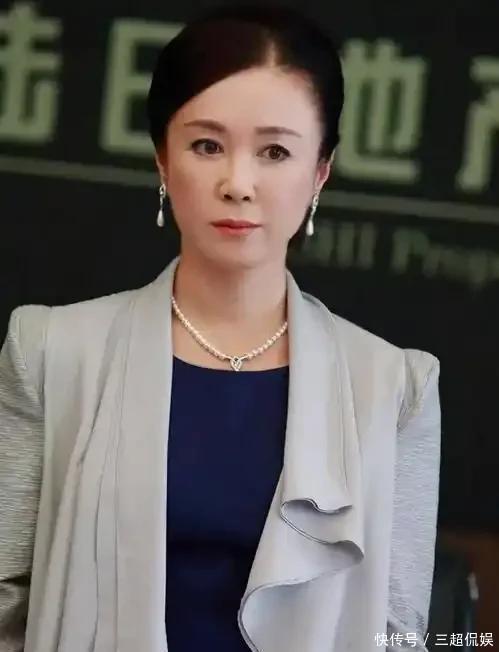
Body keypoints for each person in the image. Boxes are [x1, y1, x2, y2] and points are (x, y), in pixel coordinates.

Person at [0, 4, 441, 652]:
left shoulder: (394, 387)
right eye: (207, 145)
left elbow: (399, 633)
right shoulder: (50, 353)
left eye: (275, 152)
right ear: (162, 158)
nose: (238, 183)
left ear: (320, 171)